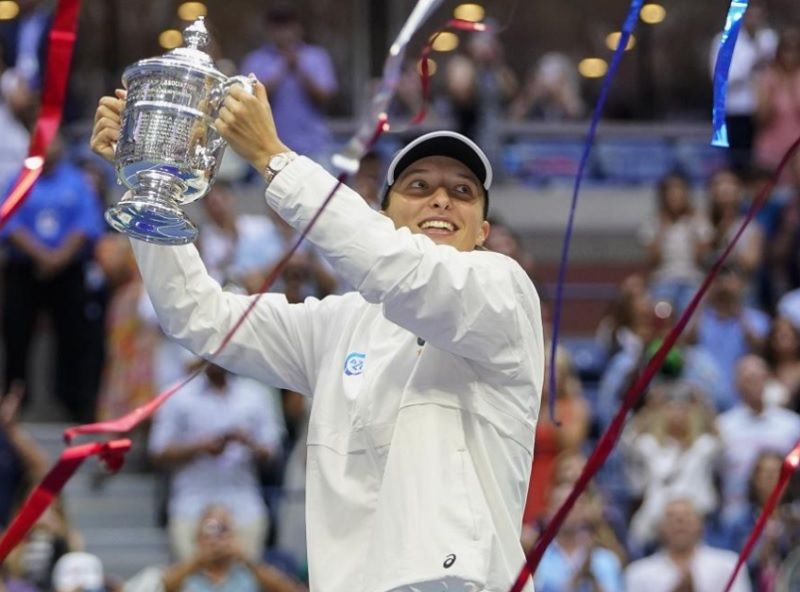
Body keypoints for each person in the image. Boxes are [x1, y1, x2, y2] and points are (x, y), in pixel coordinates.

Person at [91, 80, 544, 591]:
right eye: (419, 187)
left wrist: (274, 158)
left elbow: (401, 270)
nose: (441, 200)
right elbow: (199, 315)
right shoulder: (339, 325)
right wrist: (149, 186)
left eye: (462, 192)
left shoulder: (504, 293)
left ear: (483, 231)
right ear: (381, 214)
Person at [0, 133, 106, 422]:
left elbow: (87, 224)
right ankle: (15, 401)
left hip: (68, 268)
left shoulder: (77, 182)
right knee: (16, 334)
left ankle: (72, 402)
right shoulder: (18, 180)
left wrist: (58, 258)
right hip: (26, 268)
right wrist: (42, 256)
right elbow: (8, 220)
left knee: (74, 337)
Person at [148, 363, 284, 561]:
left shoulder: (255, 394)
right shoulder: (178, 394)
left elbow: (272, 451)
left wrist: (247, 442)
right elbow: (157, 451)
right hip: (191, 501)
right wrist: (199, 447)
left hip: (243, 502)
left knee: (245, 578)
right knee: (191, 579)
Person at [239, 5, 337, 161]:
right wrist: (283, 68)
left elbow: (325, 96)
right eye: (278, 26)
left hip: (315, 146)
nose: (284, 32)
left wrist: (299, 68)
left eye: (288, 25)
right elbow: (248, 102)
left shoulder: (316, 56)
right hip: (269, 149)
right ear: (269, 30)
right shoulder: (255, 60)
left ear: (298, 27)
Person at [161, 506, 301, 592]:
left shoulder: (250, 573)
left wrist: (247, 560)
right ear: (198, 539)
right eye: (208, 533)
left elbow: (287, 589)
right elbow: (164, 587)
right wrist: (198, 560)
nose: (215, 540)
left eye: (223, 531)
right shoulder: (186, 574)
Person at [624, 497, 751, 592]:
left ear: (701, 524)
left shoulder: (729, 566)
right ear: (660, 528)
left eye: (687, 516)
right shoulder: (638, 574)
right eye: (671, 517)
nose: (680, 522)